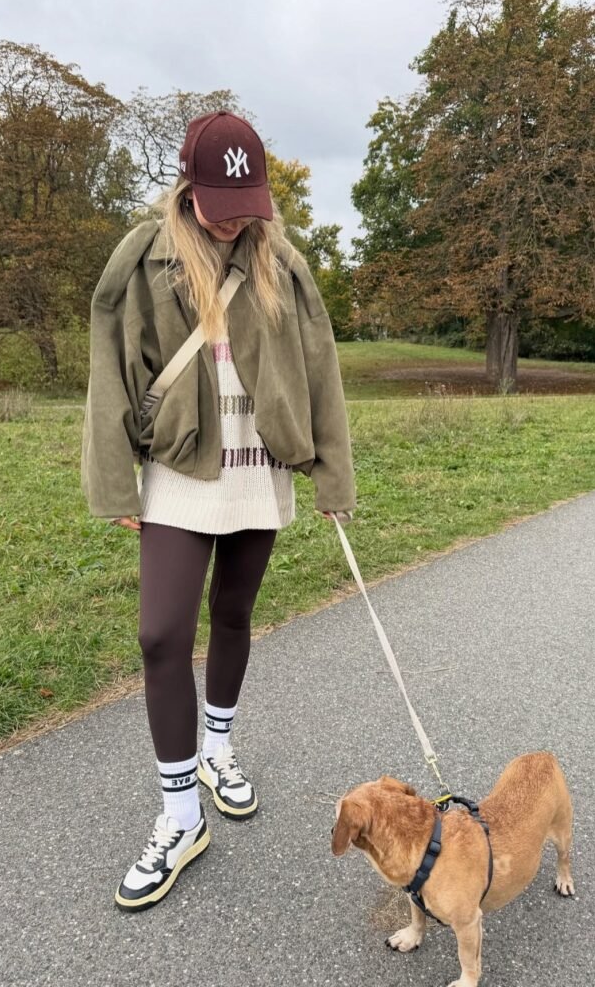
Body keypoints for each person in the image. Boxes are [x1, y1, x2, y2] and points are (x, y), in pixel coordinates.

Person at [81, 110, 356, 911]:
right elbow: (110, 367)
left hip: (259, 468)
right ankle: (178, 817)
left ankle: (219, 749)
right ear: (187, 184)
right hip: (177, 468)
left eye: (248, 198)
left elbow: (322, 369)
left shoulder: (284, 262)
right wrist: (113, 483)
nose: (236, 214)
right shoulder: (143, 257)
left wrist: (331, 478)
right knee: (160, 633)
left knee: (233, 614)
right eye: (220, 198)